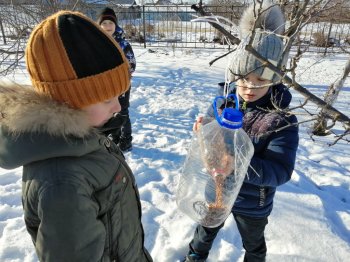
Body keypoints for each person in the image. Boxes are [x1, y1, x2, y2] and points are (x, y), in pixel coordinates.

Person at [0, 11, 152, 262]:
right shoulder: (62, 182)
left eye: (119, 96)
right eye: (106, 99)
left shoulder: (81, 139)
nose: (117, 107)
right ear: (68, 101)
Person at [183, 3, 299, 262]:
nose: (249, 86)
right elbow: (209, 146)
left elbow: (280, 171)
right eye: (244, 78)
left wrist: (238, 165)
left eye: (260, 80)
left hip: (252, 203)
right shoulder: (222, 104)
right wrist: (204, 133)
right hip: (216, 193)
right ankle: (194, 257)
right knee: (204, 233)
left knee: (254, 244)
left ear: (275, 79)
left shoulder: (281, 120)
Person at [97, 7, 136, 152]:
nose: (108, 26)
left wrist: (120, 77)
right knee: (109, 111)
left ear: (116, 25)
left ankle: (126, 139)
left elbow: (131, 65)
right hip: (104, 86)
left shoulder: (123, 44)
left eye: (111, 23)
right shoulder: (96, 44)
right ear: (99, 25)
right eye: (105, 23)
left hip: (122, 85)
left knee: (122, 111)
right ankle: (115, 135)